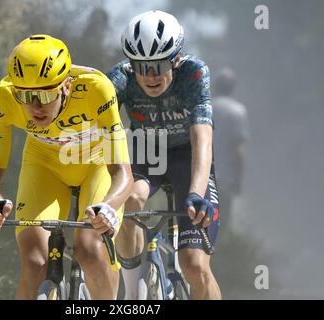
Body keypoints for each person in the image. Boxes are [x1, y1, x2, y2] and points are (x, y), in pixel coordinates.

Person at [0, 34, 133, 300]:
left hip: (95, 164)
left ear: (67, 85)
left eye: (45, 94)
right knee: (35, 262)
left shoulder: (98, 89)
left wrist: (109, 205)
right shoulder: (3, 97)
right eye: (25, 96)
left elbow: (122, 173)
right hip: (44, 164)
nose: (35, 106)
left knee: (91, 249)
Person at [107, 10, 221, 300]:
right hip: (147, 153)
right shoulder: (121, 76)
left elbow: (202, 138)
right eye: (142, 66)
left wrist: (196, 192)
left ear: (176, 58)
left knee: (195, 267)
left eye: (158, 65)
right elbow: (98, 115)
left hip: (187, 158)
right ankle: (133, 292)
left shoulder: (193, 73)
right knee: (130, 200)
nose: (150, 76)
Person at [212, 68, 249, 229]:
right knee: (222, 224)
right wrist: (238, 179)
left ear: (215, 86)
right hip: (226, 179)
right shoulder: (238, 111)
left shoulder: (205, 107)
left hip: (202, 174)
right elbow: (238, 151)